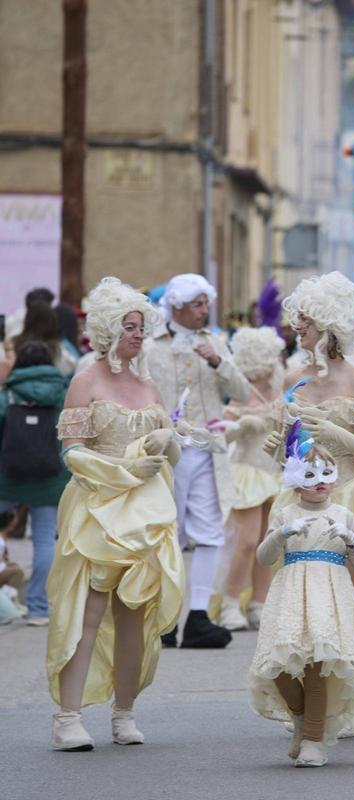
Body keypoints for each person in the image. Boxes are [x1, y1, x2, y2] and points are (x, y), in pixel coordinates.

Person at [266, 271, 354, 726]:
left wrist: (335, 433)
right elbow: (280, 453)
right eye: (297, 320)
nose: (298, 328)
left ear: (328, 324)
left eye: (305, 321)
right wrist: (278, 448)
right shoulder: (293, 377)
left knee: (350, 604)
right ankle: (311, 704)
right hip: (302, 499)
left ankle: (342, 704)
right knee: (307, 604)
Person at [46, 277, 184, 751]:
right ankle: (67, 717)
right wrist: (124, 468)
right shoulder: (85, 381)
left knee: (134, 612)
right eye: (129, 326)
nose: (137, 335)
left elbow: (173, 455)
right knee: (87, 612)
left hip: (143, 513)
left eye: (142, 327)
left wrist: (168, 444)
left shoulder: (148, 385)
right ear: (107, 329)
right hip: (97, 508)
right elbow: (71, 453)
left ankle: (124, 712)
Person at [250, 439, 354, 768]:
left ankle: (314, 740)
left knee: (318, 666)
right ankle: (301, 718)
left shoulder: (343, 514)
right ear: (294, 478)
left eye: (326, 473)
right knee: (278, 665)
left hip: (330, 592)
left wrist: (353, 540)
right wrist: (282, 534)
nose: (320, 480)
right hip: (291, 592)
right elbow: (264, 557)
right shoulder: (285, 512)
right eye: (310, 473)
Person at [144, 274, 249, 648]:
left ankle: (200, 614)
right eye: (197, 304)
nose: (205, 311)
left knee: (209, 532)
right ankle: (164, 616)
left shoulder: (214, 342)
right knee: (164, 531)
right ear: (177, 307)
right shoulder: (150, 345)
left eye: (206, 303)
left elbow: (241, 392)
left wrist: (219, 361)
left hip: (206, 449)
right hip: (164, 449)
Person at [215, 327, 286, 631]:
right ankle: (230, 601)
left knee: (268, 541)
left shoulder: (280, 394)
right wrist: (243, 424)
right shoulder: (241, 396)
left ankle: (259, 601)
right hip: (248, 472)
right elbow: (221, 429)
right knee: (245, 541)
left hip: (275, 472)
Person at [0, 341, 72, 626]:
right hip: (49, 476)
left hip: (8, 476)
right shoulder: (63, 394)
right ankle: (39, 608)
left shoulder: (8, 393)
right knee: (44, 541)